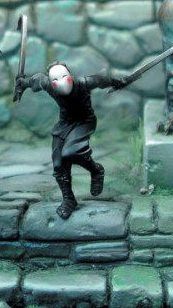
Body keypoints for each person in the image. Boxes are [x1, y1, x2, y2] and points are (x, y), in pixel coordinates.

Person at [16, 62, 129, 219]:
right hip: (64, 124)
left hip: (84, 121)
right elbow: (32, 81)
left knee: (71, 152)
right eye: (56, 79)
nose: (61, 81)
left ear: (70, 75)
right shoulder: (46, 83)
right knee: (58, 164)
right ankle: (69, 199)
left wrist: (119, 82)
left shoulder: (83, 83)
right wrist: (21, 83)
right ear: (51, 81)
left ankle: (96, 170)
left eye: (64, 76)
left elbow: (101, 79)